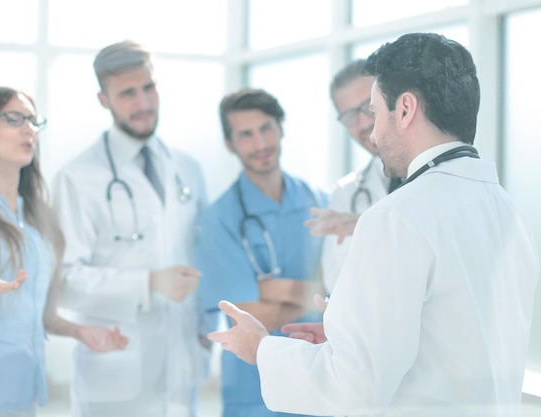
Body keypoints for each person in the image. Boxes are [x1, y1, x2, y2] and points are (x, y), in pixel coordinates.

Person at [208, 33, 540, 417]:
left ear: (405, 109)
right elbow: (455, 337)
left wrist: (261, 349)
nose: (374, 132)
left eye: (375, 112)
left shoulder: (396, 217)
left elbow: (353, 390)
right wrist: (351, 333)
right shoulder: (507, 211)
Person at [0, 86, 127, 417]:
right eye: (13, 119)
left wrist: (79, 331)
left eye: (33, 121)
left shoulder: (39, 220)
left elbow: (36, 314)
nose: (28, 129)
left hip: (20, 397)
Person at [51, 40, 209, 417]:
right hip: (115, 373)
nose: (143, 103)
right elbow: (65, 283)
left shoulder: (187, 169)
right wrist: (149, 283)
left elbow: (203, 255)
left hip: (181, 368)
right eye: (127, 94)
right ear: (103, 99)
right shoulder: (77, 178)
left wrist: (206, 326)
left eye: (148, 88)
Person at [197, 87, 327, 417]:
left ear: (281, 127)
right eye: (246, 134)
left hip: (320, 380)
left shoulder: (319, 202)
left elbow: (346, 292)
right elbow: (247, 319)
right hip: (254, 390)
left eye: (266, 128)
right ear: (230, 144)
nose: (260, 144)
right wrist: (316, 293)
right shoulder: (220, 219)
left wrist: (285, 292)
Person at [305, 59, 402, 291]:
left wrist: (367, 227)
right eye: (349, 116)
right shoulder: (345, 193)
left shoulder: (443, 176)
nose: (363, 123)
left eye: (369, 107)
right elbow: (336, 285)